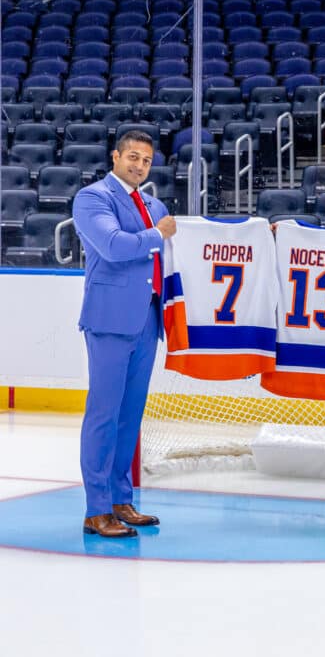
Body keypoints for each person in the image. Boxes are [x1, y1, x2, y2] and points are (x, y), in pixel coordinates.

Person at [72, 131, 176, 537]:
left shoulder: (154, 205)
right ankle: (96, 509)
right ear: (115, 156)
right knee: (104, 414)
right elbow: (114, 246)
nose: (139, 166)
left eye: (146, 161)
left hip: (148, 319)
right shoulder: (93, 198)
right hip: (110, 319)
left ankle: (120, 500)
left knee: (129, 417)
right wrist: (157, 234)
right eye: (132, 157)